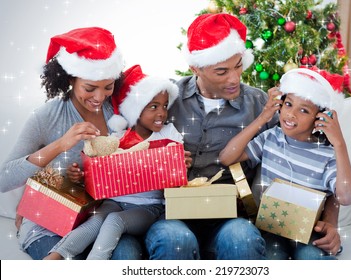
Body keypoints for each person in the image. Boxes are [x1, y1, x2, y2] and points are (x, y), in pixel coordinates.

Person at [144, 13, 278, 260]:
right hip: (173, 216)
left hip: (230, 218)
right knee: (175, 241)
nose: (234, 78)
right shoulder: (167, 99)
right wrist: (160, 160)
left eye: (238, 65)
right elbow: (128, 142)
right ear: (195, 68)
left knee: (243, 240)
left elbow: (296, 147)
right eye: (221, 71)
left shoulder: (259, 103)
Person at [0, 27, 141, 260]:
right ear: (70, 79)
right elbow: (4, 178)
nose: (99, 97)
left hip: (103, 222)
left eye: (108, 86)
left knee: (128, 255)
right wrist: (59, 144)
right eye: (89, 88)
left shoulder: (119, 111)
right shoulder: (47, 116)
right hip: (50, 223)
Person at [219, 67, 351, 259]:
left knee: (312, 258)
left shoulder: (327, 155)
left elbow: (346, 197)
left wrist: (339, 143)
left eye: (303, 110)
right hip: (271, 230)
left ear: (318, 118)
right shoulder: (271, 138)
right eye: (289, 104)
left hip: (308, 234)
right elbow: (226, 157)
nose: (291, 114)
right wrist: (263, 117)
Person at [82, 64, 185, 260]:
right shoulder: (119, 137)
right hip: (116, 202)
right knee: (95, 221)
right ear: (136, 111)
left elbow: (176, 179)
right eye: (154, 107)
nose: (162, 113)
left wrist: (178, 163)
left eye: (164, 106)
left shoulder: (169, 134)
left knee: (114, 221)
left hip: (148, 206)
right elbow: (103, 170)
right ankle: (56, 257)